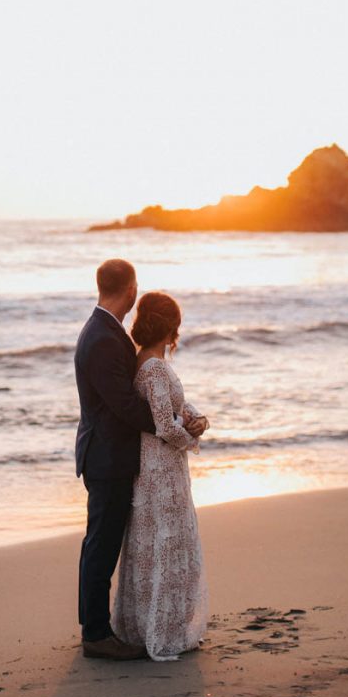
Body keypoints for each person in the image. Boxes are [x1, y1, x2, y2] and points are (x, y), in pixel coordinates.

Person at [74, 259, 204, 660]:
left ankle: (107, 627)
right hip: (107, 458)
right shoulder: (102, 338)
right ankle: (96, 634)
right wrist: (177, 426)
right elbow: (128, 406)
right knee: (101, 546)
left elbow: (135, 400)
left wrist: (180, 417)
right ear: (130, 290)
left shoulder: (108, 333)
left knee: (110, 544)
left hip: (117, 456)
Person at [111, 291, 210, 661]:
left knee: (159, 542)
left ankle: (162, 624)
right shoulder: (152, 367)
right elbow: (163, 425)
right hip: (159, 468)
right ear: (171, 327)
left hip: (161, 464)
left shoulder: (149, 362)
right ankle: (160, 630)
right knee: (163, 542)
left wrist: (197, 417)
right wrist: (191, 438)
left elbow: (174, 407)